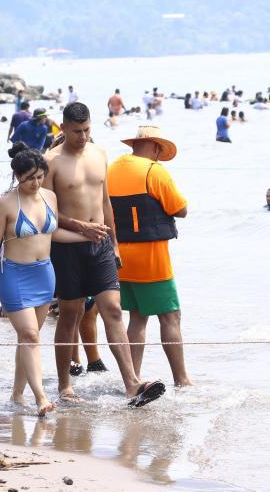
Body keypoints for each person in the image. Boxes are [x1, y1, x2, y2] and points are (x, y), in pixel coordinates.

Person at [44, 102, 166, 406]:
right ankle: (64, 386)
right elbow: (44, 213)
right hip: (67, 248)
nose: (82, 136)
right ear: (64, 128)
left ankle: (132, 385)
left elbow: (106, 203)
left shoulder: (99, 154)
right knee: (70, 315)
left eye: (87, 130)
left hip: (100, 245)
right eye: (76, 132)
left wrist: (114, 244)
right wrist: (81, 227)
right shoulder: (51, 162)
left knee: (112, 309)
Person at [0, 143, 84, 416]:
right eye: (29, 177)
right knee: (31, 335)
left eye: (40, 176)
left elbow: (51, 234)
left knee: (27, 339)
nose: (36, 182)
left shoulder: (50, 197)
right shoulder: (6, 204)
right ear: (17, 175)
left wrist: (86, 235)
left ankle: (17, 394)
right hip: (14, 277)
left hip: (44, 274)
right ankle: (41, 397)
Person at [108, 125, 191, 387]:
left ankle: (133, 379)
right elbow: (180, 209)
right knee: (170, 316)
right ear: (155, 147)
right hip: (150, 257)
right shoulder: (154, 171)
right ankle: (182, 380)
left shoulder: (111, 168)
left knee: (136, 315)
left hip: (118, 256)